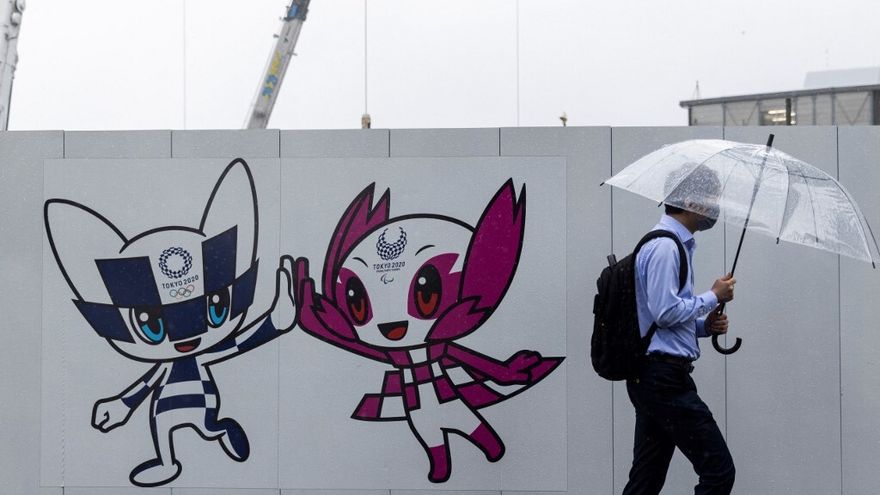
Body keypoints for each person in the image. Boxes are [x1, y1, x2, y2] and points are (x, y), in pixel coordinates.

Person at [623, 164, 737, 495]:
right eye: (712, 199)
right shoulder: (665, 247)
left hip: (655, 377)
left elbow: (660, 318)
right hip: (663, 380)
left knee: (645, 481)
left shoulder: (675, 245)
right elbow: (665, 312)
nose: (715, 208)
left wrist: (704, 326)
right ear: (691, 202)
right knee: (718, 471)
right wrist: (713, 296)